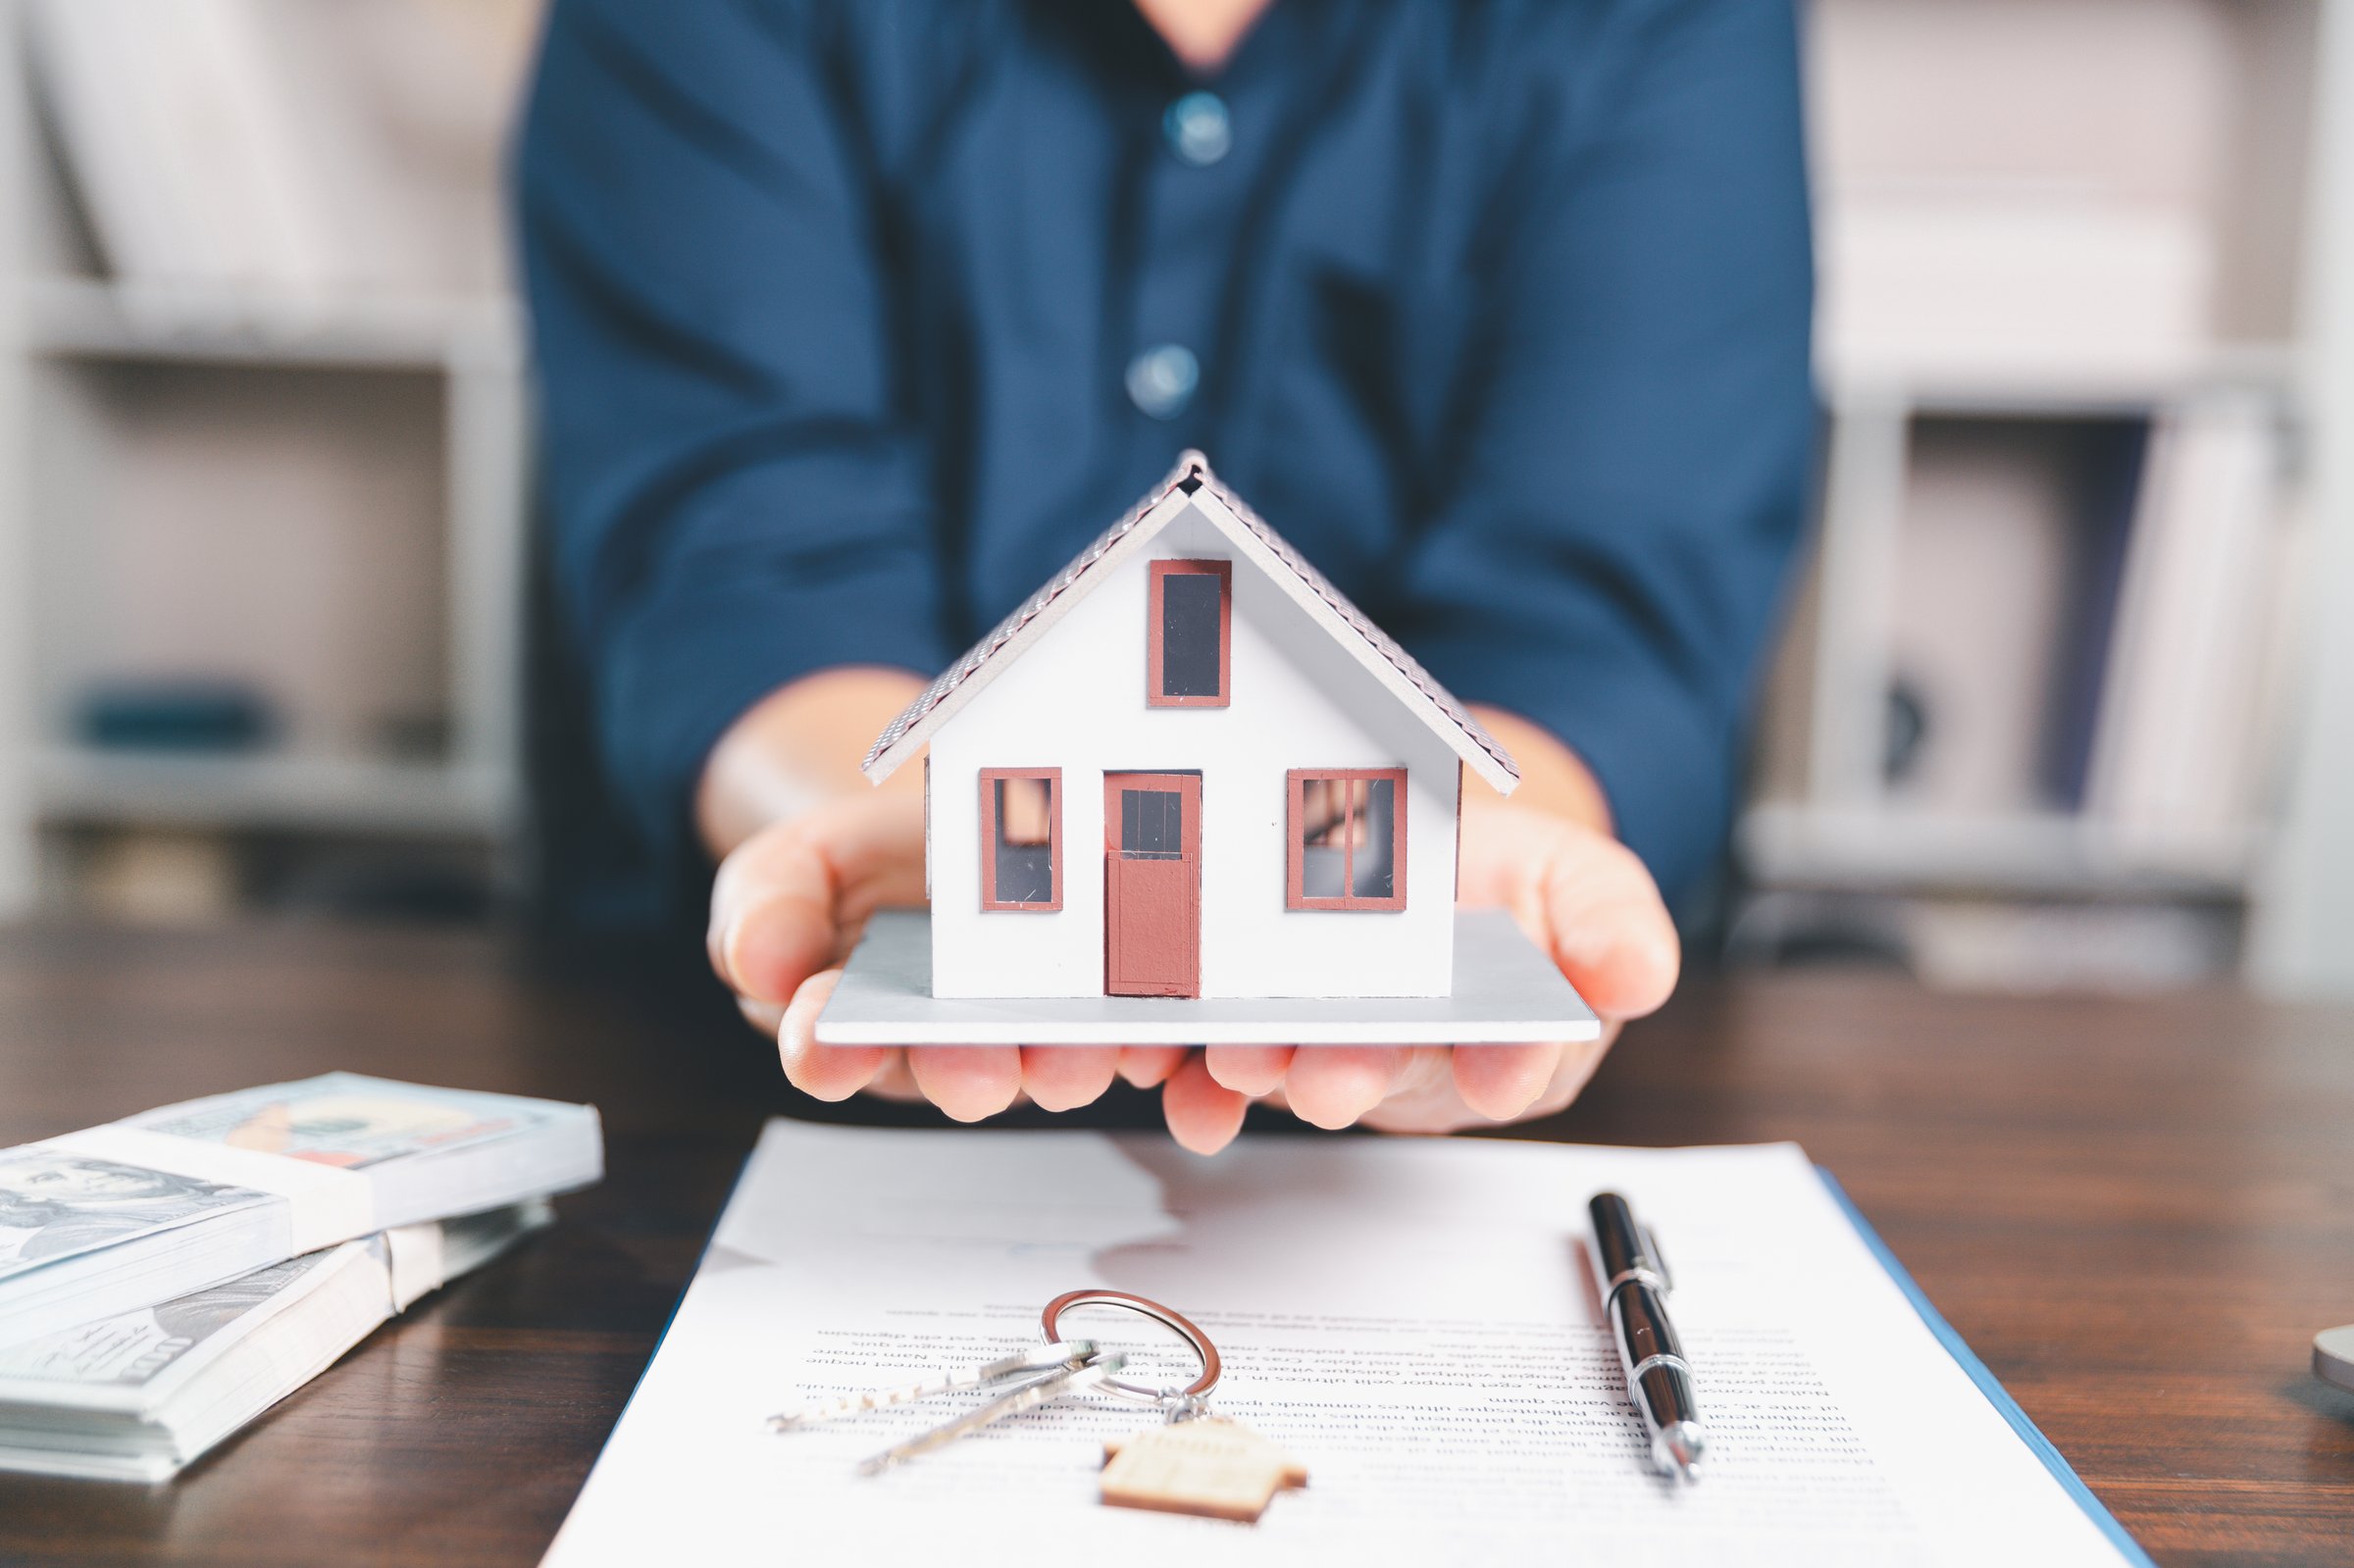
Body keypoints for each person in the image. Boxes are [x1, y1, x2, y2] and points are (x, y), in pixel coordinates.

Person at [517, 0, 1814, 1153]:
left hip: (1483, 1164)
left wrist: (1468, 881)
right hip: (727, 1107)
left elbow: (1604, 593)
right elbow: (737, 555)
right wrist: (900, 844)